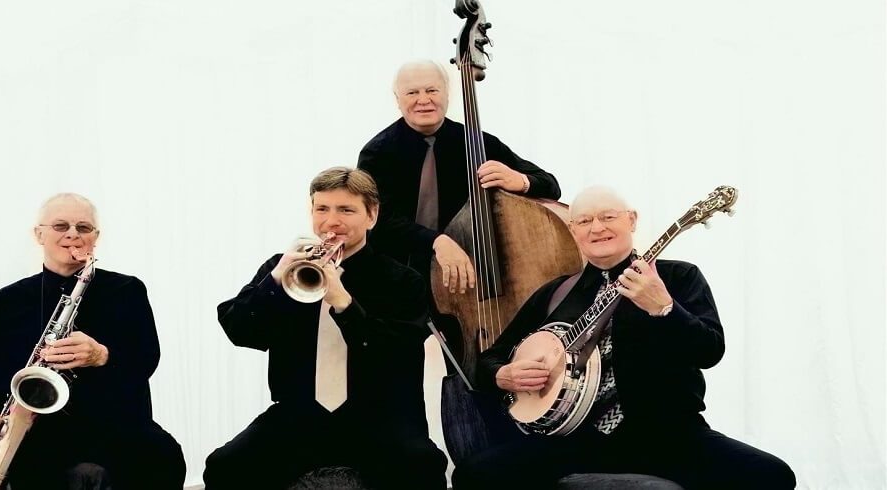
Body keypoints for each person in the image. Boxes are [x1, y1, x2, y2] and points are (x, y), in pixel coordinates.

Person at [451, 186, 797, 489]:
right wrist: (503, 374)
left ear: (631, 220)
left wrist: (664, 309)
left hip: (669, 435)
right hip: (575, 439)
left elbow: (710, 351)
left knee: (771, 475)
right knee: (475, 474)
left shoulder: (678, 278)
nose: (597, 227)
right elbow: (488, 360)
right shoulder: (556, 294)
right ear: (573, 231)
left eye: (608, 217)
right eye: (584, 221)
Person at [205, 167, 447, 490]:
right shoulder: (285, 268)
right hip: (300, 415)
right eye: (322, 209)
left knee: (424, 468)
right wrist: (276, 277)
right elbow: (239, 329)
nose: (332, 221)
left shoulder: (403, 280)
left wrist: (343, 303)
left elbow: (395, 356)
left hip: (380, 419)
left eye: (346, 210)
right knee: (224, 468)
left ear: (372, 215)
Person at [0, 193, 186, 490]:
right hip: (40, 433)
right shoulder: (6, 301)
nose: (72, 234)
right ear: (38, 234)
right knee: (74, 476)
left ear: (96, 238)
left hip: (118, 426)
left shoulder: (127, 290)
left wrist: (102, 355)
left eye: (83, 228)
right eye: (61, 226)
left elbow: (147, 359)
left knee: (164, 456)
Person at [358, 59, 562, 296]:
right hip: (399, 273)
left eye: (432, 90)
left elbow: (551, 185)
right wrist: (437, 241)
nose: (423, 100)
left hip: (470, 276)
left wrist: (521, 180)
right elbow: (378, 220)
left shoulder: (478, 143)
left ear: (447, 94)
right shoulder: (377, 153)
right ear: (397, 99)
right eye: (412, 92)